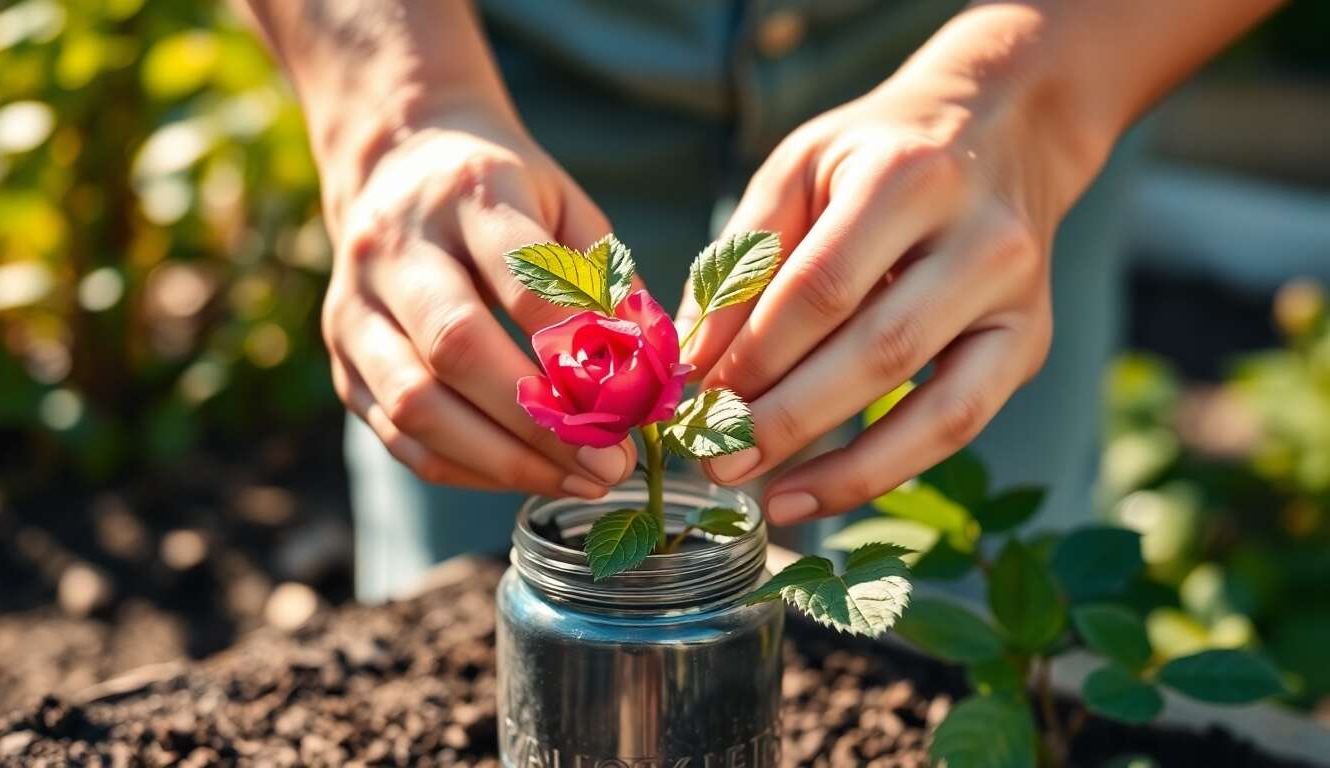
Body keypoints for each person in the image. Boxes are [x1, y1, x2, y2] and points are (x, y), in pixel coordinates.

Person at [240, 0, 1281, 602]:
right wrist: (397, 107)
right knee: (488, 610)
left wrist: (1038, 99)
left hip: (1007, 99)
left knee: (954, 621)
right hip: (500, 89)